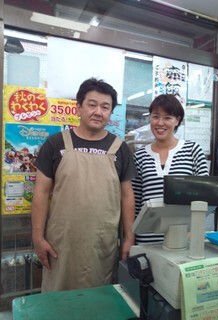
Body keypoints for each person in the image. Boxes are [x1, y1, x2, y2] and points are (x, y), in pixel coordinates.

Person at [31, 77, 136, 293]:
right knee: (57, 300)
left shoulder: (120, 148)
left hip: (102, 242)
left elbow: (127, 196)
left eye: (105, 107)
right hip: (61, 242)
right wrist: (38, 236)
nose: (98, 111)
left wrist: (129, 237)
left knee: (99, 299)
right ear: (78, 108)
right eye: (92, 104)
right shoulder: (56, 143)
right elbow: (41, 193)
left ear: (110, 112)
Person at [132, 94, 209, 244]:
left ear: (177, 120)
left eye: (167, 118)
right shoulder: (139, 155)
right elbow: (135, 201)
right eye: (155, 116)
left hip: (184, 236)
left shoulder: (193, 150)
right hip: (147, 238)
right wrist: (132, 235)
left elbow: (205, 197)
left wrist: (194, 231)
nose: (160, 123)